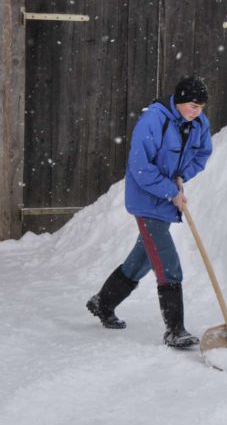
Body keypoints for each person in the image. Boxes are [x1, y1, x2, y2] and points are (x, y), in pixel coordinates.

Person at [86, 76, 213, 348]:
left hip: (167, 198)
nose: (197, 112)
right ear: (179, 101)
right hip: (146, 200)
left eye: (201, 107)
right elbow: (140, 168)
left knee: (141, 260)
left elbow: (202, 155)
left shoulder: (199, 123)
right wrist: (170, 190)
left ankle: (103, 302)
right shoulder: (154, 120)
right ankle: (175, 330)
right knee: (167, 262)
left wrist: (182, 176)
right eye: (193, 106)